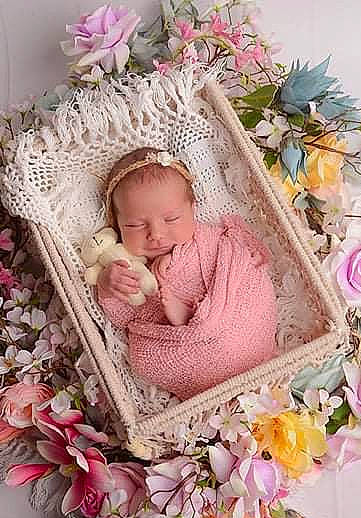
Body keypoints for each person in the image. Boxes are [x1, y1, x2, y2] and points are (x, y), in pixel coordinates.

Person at [95, 146, 278, 400]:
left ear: (193, 210)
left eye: (171, 219)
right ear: (117, 226)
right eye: (136, 225)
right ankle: (191, 325)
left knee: (249, 287)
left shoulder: (208, 240)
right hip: (187, 353)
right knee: (144, 360)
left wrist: (179, 259)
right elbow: (126, 316)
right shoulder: (132, 268)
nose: (156, 234)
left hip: (240, 324)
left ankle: (198, 319)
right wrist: (108, 285)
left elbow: (237, 258)